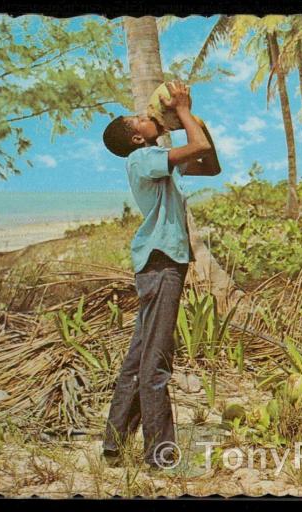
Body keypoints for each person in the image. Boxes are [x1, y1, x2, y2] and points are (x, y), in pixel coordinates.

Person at [101, 80, 220, 469]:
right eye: (138, 119)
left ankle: (114, 444)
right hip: (160, 261)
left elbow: (210, 163)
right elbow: (198, 148)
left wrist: (193, 118)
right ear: (137, 138)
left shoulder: (160, 156)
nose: (146, 115)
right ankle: (159, 454)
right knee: (157, 360)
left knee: (140, 356)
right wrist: (183, 110)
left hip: (164, 262)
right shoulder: (142, 160)